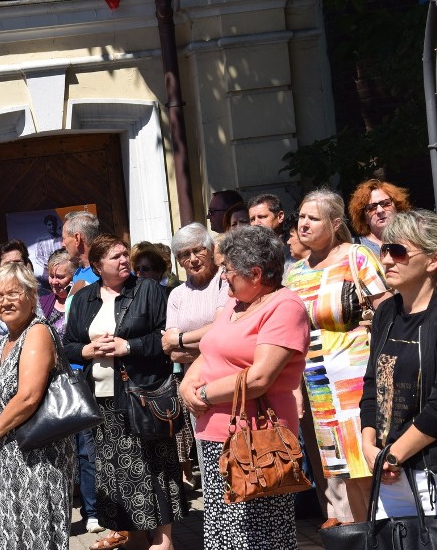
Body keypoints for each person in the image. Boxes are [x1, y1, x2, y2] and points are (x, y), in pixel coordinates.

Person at [180, 226, 310, 549]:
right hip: (214, 437)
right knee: (224, 534)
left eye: (228, 270)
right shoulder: (235, 304)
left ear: (255, 273)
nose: (223, 277)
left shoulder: (285, 306)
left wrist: (205, 394)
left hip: (257, 445)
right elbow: (211, 349)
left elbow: (258, 378)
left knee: (258, 537)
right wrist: (187, 385)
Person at [64, 234, 187, 550]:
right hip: (102, 401)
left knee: (153, 466)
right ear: (97, 265)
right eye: (115, 257)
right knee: (116, 471)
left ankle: (163, 540)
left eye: (124, 255)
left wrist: (127, 346)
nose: (123, 261)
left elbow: (165, 339)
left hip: (142, 394)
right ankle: (131, 534)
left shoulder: (147, 290)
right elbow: (68, 346)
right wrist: (88, 351)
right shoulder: (84, 298)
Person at [285, 188, 391, 526]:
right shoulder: (295, 273)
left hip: (357, 379)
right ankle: (360, 537)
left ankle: (384, 536)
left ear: (334, 223)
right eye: (301, 217)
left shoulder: (356, 256)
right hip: (318, 385)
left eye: (312, 218)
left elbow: (388, 312)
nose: (303, 224)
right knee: (341, 474)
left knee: (367, 466)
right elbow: (293, 335)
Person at [0, 264, 75, 549]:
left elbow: (28, 397)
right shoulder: (5, 341)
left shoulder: (37, 332)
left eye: (13, 294)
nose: (4, 302)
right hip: (9, 460)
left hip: (39, 459)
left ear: (31, 295)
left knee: (38, 539)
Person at [360, 209, 437, 519]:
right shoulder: (387, 313)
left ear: (432, 260)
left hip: (427, 468)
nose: (388, 260)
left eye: (399, 251)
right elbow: (371, 384)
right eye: (385, 250)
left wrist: (394, 455)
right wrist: (369, 446)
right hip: (388, 469)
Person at [160, 223, 230, 489]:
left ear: (211, 249)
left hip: (225, 377)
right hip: (194, 382)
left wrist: (180, 339)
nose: (192, 259)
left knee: (230, 445)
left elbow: (222, 329)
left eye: (198, 250)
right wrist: (201, 341)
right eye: (184, 255)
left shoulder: (225, 280)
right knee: (204, 448)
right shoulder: (177, 294)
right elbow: (171, 352)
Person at [39, 249, 103, 534]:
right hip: (53, 386)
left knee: (87, 451)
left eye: (60, 275)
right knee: (61, 453)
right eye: (51, 275)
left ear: (73, 275)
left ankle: (92, 511)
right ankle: (60, 514)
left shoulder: (85, 301)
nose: (54, 281)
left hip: (83, 382)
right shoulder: (43, 304)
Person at [348, 179, 412, 259]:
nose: (380, 210)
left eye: (386, 204)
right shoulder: (353, 248)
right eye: (371, 208)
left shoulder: (414, 240)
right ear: (364, 218)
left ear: (397, 208)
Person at [61, 211, 100, 291]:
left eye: (64, 238)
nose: (63, 244)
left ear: (77, 239)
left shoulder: (107, 271)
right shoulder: (78, 273)